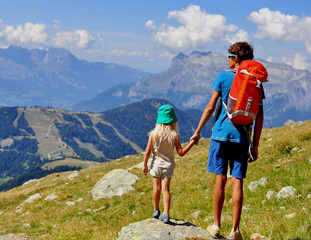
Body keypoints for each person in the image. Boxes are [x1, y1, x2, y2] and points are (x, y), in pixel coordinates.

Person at [190, 42, 264, 240]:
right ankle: (236, 230)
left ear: (235, 58)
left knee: (220, 180)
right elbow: (260, 114)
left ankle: (216, 226)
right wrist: (255, 144)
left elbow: (210, 107)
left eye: (229, 57)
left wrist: (197, 131)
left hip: (221, 135)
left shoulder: (223, 76)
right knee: (237, 181)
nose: (228, 60)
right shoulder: (256, 81)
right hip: (242, 138)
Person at [143, 104, 196, 224]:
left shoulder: (153, 135)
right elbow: (181, 153)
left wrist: (145, 165)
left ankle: (156, 210)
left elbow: (147, 152)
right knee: (165, 190)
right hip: (168, 167)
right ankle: (166, 214)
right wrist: (191, 144)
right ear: (173, 120)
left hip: (156, 166)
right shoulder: (174, 135)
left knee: (156, 189)